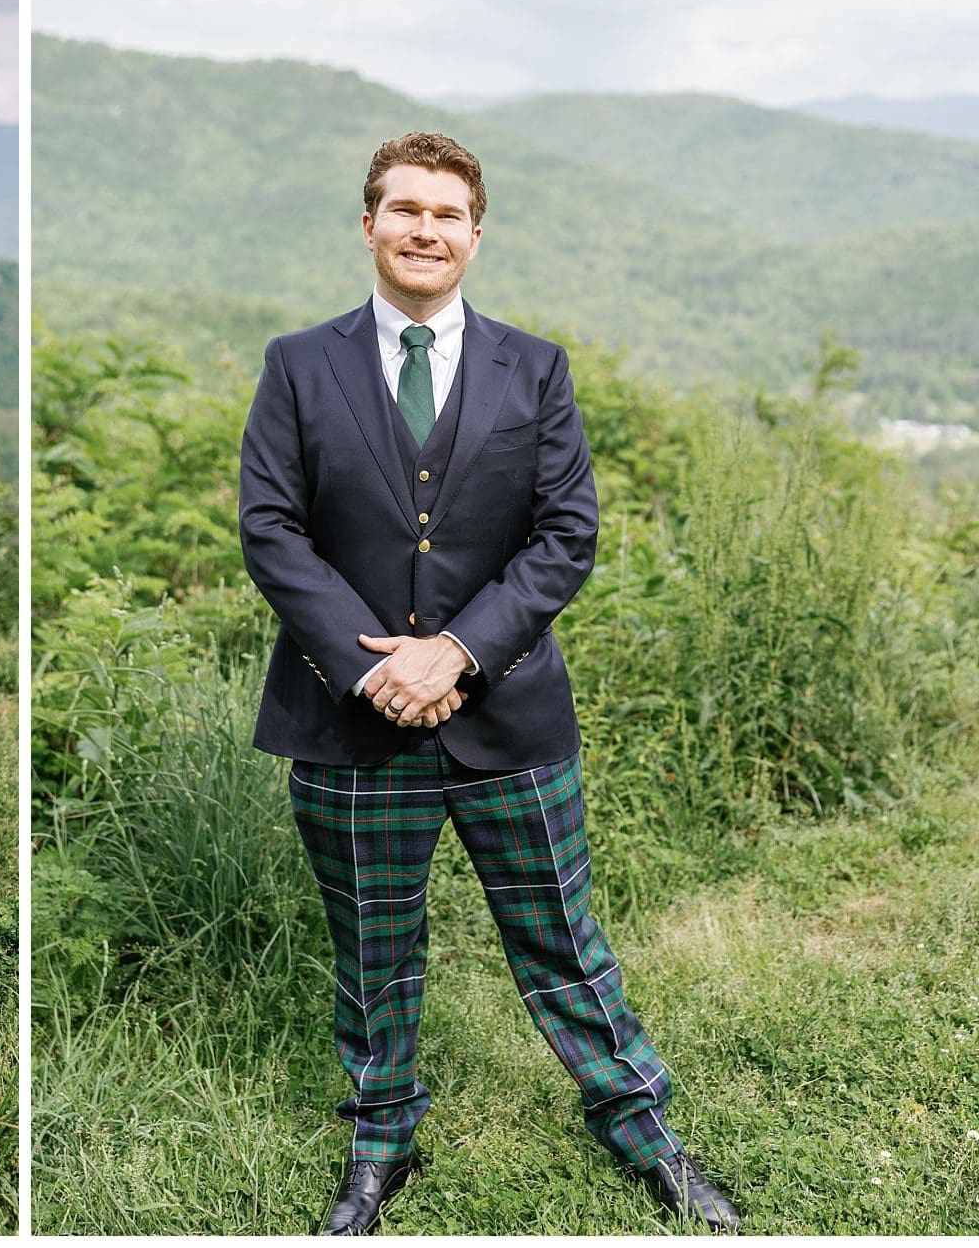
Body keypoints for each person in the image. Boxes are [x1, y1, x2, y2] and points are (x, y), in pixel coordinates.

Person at [237, 134, 738, 1234]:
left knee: (562, 938)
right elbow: (271, 532)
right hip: (349, 719)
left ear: (475, 234)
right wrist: (378, 672)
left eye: (447, 213)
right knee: (372, 947)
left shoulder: (536, 368)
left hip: (510, 714)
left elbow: (566, 535)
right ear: (367, 223)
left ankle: (644, 1132)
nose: (424, 229)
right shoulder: (298, 364)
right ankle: (380, 1146)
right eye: (403, 208)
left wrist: (455, 652)